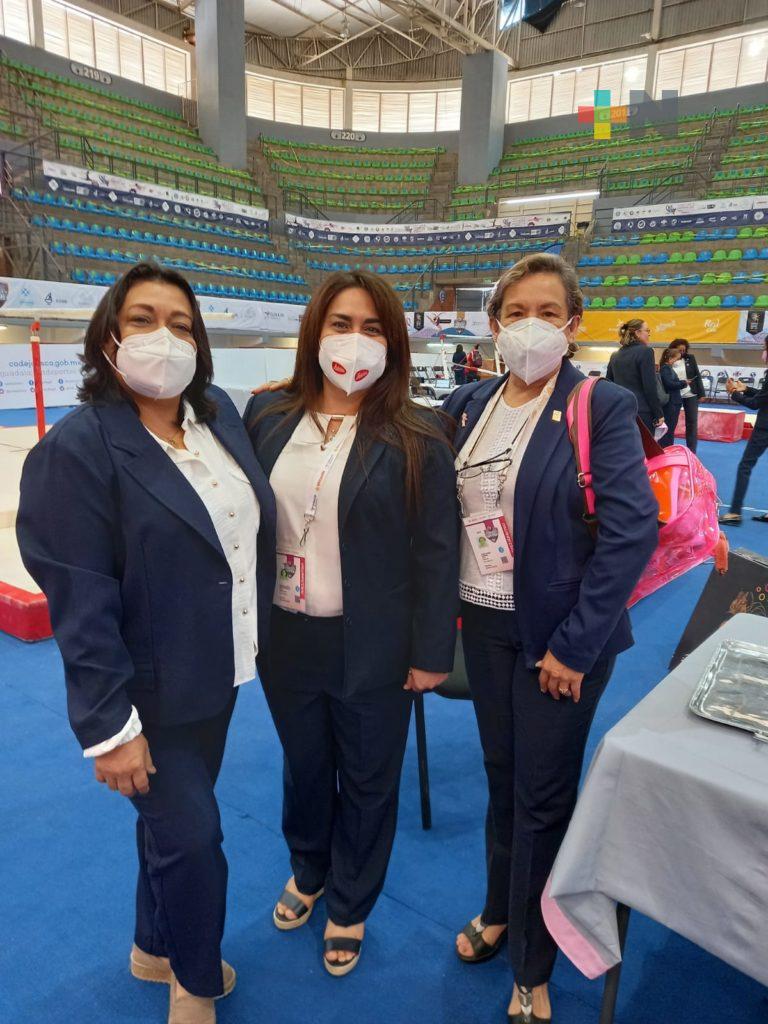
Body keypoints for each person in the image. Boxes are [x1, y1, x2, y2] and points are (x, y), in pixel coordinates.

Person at [16, 262, 276, 1024]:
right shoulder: (79, 449)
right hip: (145, 695)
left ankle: (152, 945)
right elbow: (81, 602)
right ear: (108, 338)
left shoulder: (219, 420)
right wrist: (110, 728)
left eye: (181, 323)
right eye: (142, 319)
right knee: (195, 840)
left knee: (167, 831)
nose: (164, 336)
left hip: (218, 672)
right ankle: (194, 980)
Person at [443, 254, 658, 1024]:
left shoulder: (599, 406)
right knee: (504, 780)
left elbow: (632, 531)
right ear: (493, 323)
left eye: (547, 311)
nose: (529, 325)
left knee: (541, 797)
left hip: (559, 640)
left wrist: (574, 646)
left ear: (572, 323)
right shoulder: (468, 402)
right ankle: (500, 909)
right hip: (485, 625)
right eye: (515, 312)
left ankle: (532, 967)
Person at [244, 270, 458, 977]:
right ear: (315, 331)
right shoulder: (267, 416)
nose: (354, 341)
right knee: (305, 768)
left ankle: (350, 902)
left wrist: (431, 651)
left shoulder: (420, 434)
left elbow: (437, 552)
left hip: (374, 643)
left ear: (393, 343)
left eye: (372, 328)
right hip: (286, 635)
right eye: (341, 324)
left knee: (367, 778)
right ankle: (309, 869)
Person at [719, 340, 768, 526]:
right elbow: (764, 396)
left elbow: (756, 404)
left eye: (765, 348)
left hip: (765, 428)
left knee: (745, 466)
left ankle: (734, 513)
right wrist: (745, 389)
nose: (763, 352)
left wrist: (734, 393)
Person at [605, 319, 665, 434]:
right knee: (643, 445)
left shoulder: (615, 355)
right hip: (641, 412)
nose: (649, 334)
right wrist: (658, 412)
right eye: (647, 331)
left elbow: (608, 384)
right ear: (637, 333)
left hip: (619, 410)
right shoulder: (646, 351)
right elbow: (649, 386)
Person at [668, 338, 705, 451]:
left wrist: (701, 394)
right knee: (671, 422)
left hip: (690, 394)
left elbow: (697, 376)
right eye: (680, 350)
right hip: (675, 394)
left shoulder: (690, 358)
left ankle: (692, 451)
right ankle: (668, 448)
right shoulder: (668, 359)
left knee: (692, 423)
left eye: (684, 350)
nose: (682, 352)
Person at [658, 346, 689, 449]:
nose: (677, 361)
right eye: (677, 359)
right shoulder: (665, 368)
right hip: (671, 402)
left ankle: (667, 448)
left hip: (674, 401)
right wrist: (683, 383)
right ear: (671, 358)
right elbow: (669, 384)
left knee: (670, 428)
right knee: (669, 429)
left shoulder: (668, 368)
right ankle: (666, 449)